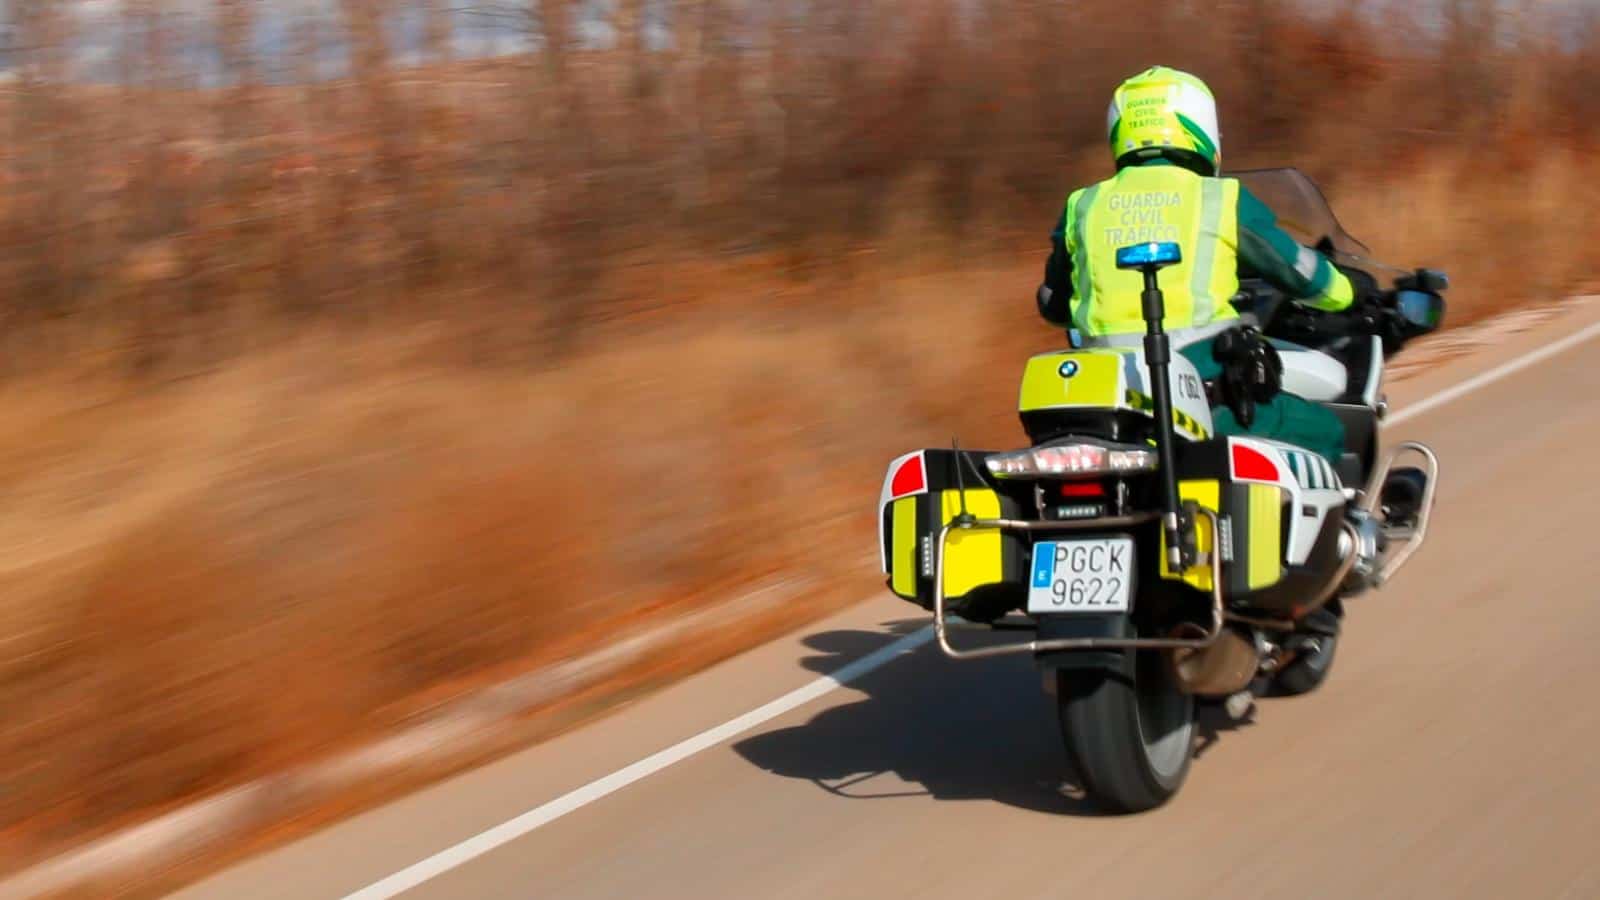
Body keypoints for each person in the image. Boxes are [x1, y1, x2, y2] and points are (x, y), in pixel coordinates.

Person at [1037, 65, 1366, 465]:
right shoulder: (1219, 198)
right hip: (1207, 404)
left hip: (1109, 411)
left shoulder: (1082, 205)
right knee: (1325, 431)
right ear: (1200, 127)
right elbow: (1299, 271)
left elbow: (1053, 303)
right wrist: (1349, 292)